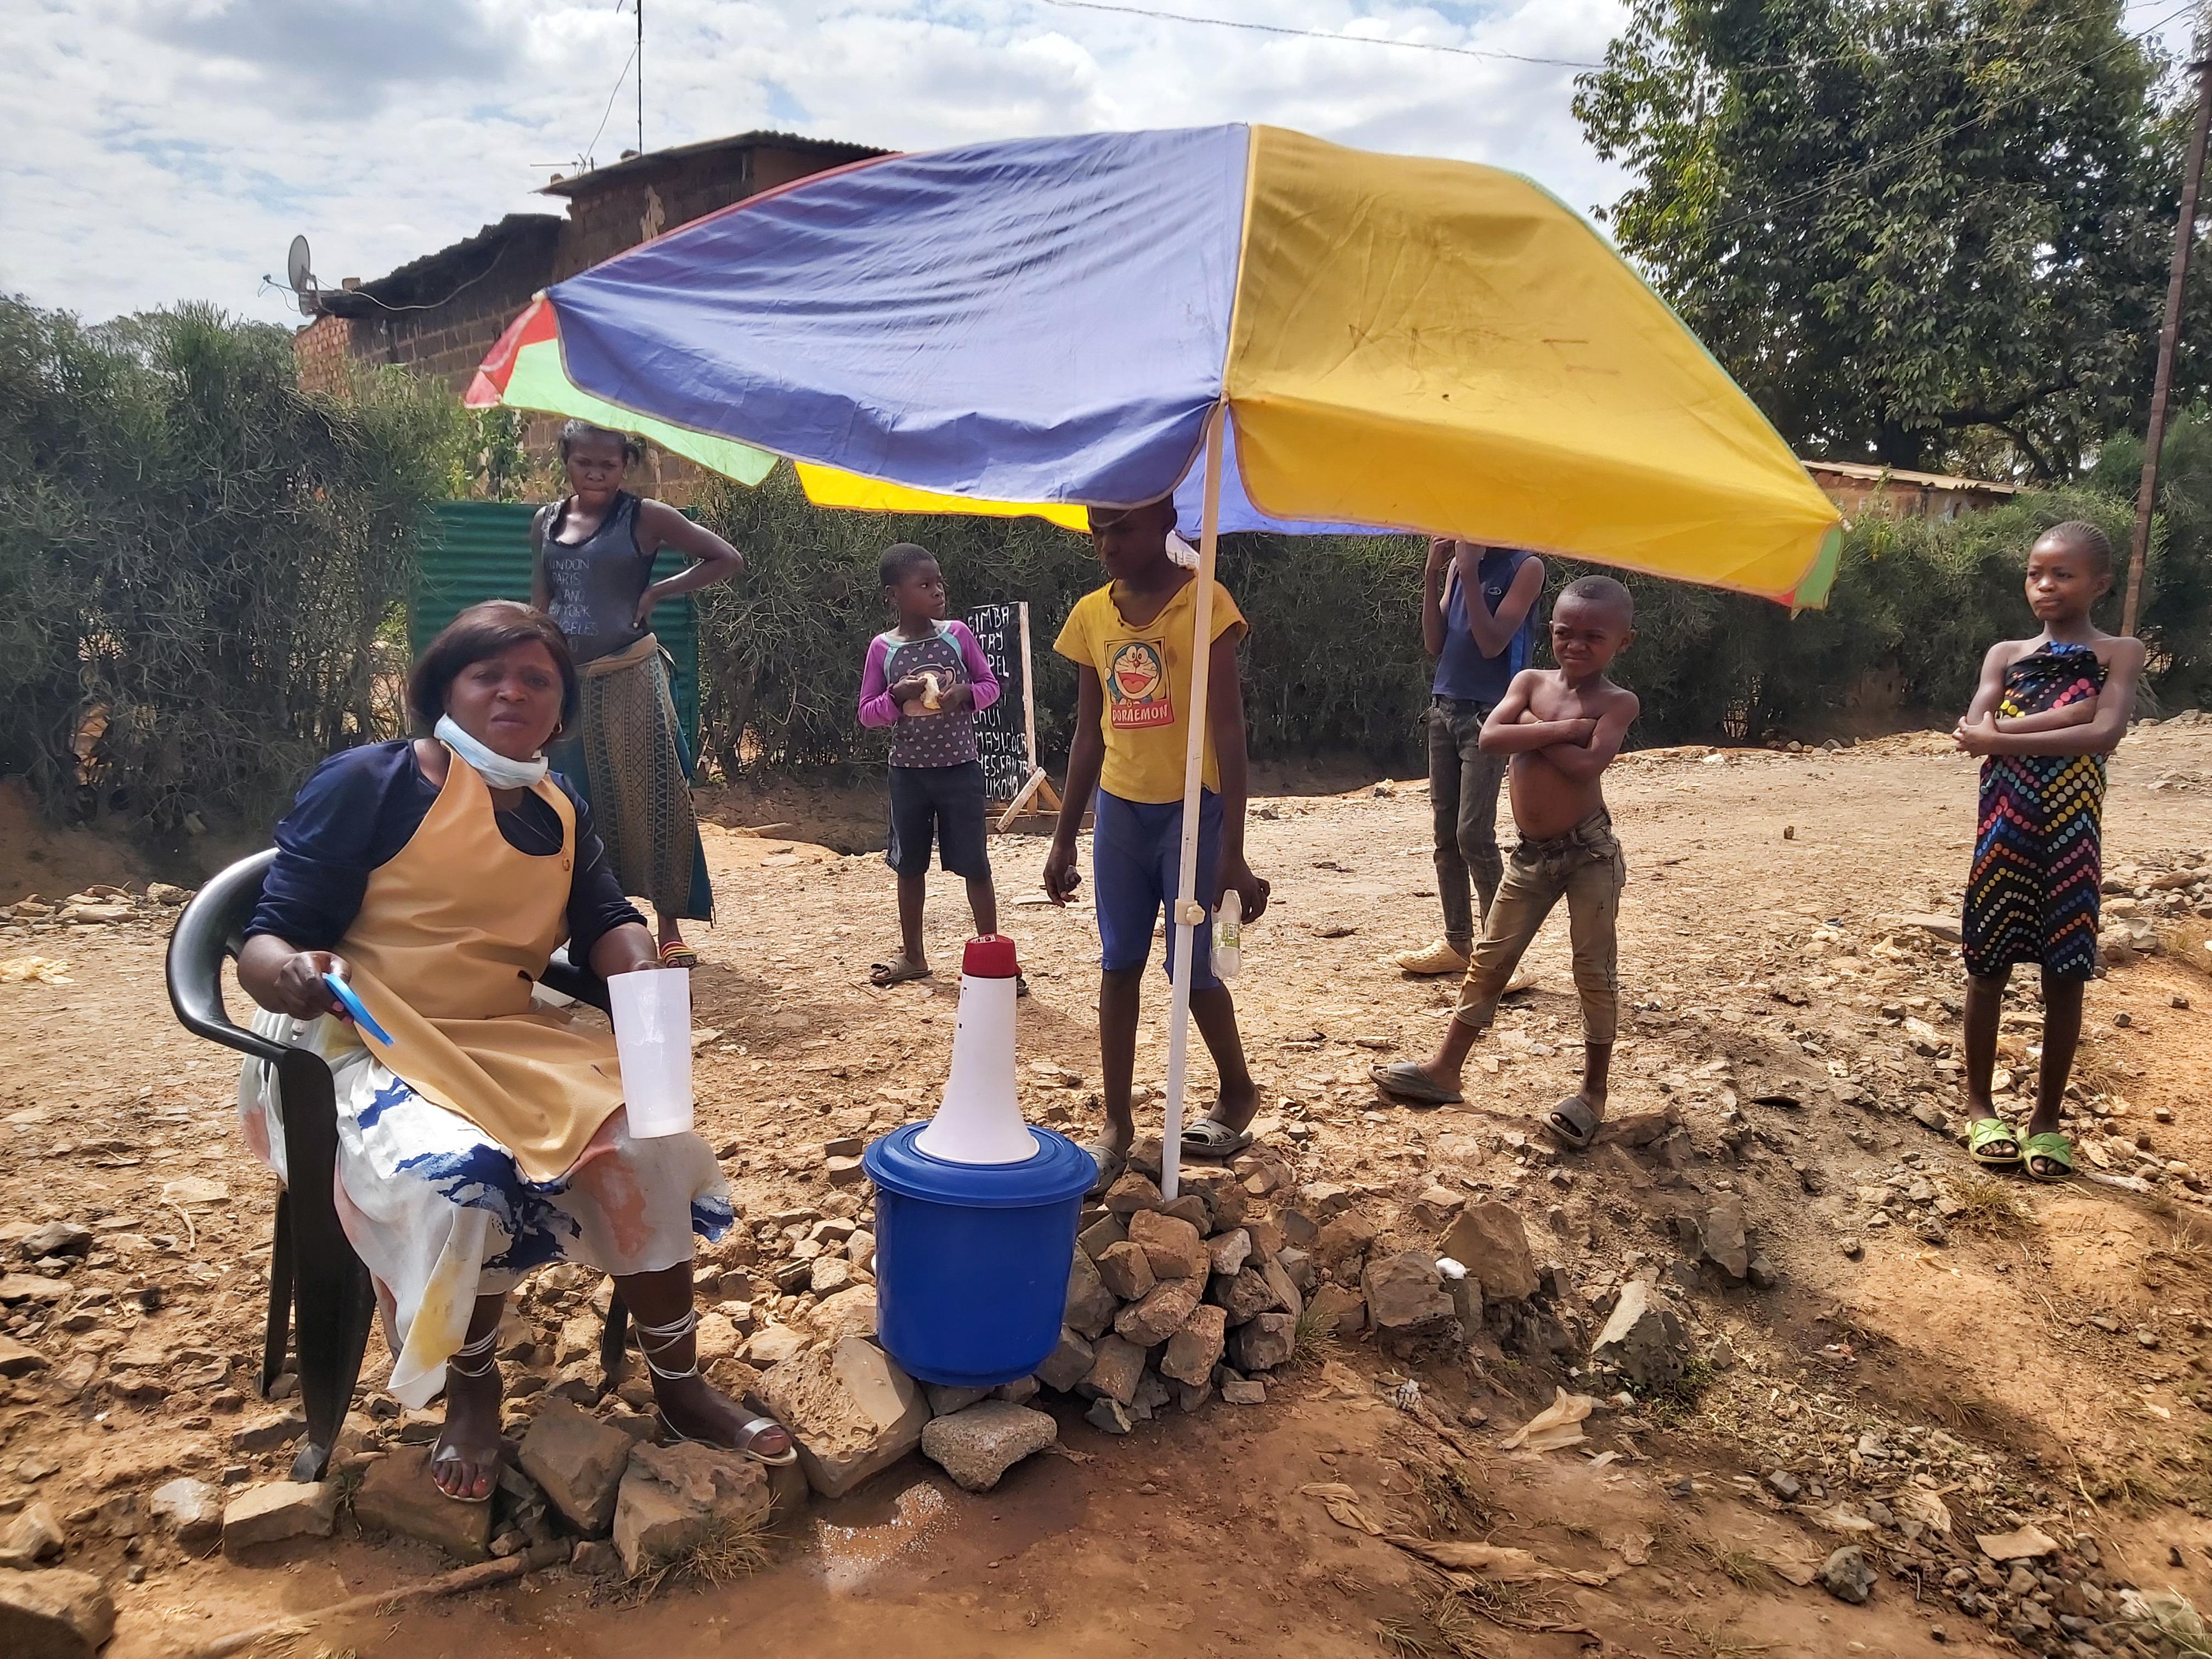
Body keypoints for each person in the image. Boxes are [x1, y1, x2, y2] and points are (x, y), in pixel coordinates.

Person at [236, 602, 793, 1504]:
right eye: (487, 673)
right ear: (443, 688)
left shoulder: (561, 807)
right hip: (356, 1037)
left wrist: (634, 958)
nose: (512, 691)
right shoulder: (369, 782)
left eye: (536, 678)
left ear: (561, 709)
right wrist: (291, 971)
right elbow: (264, 938)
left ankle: (681, 1384)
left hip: (497, 1034)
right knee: (465, 1171)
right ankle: (471, 1385)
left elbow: (604, 917)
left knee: (653, 1143)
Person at [1043, 500, 1271, 1192]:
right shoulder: (1091, 615)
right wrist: (1064, 838)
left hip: (1193, 812)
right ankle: (1117, 1121)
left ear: (1168, 521)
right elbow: (1088, 734)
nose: (1109, 543)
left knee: (1194, 965)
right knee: (1120, 963)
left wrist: (1235, 850)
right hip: (1121, 808)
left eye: (1125, 529)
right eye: (1098, 530)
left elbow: (1228, 731)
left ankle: (1237, 1091)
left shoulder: (1207, 605)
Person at [1370, 576, 1640, 1147]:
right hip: (1531, 856)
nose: (1577, 645)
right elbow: (1492, 738)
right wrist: (1563, 728)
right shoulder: (1530, 680)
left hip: (1588, 852)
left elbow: (1587, 767)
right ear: (1551, 632)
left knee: (1593, 970)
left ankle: (1593, 1091)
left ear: (1624, 642)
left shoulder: (1618, 702)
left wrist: (1528, 732)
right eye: (1566, 633)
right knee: (1490, 960)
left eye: (1595, 637)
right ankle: (1445, 1069)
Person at [1953, 521, 2145, 1182]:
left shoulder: (2121, 651)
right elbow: (1975, 728)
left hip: (2071, 836)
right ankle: (1980, 1106)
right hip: (2003, 827)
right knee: (1988, 968)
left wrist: (2005, 736)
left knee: (2064, 976)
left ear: (2101, 584)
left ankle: (2046, 1122)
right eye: (2036, 573)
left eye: (2063, 574)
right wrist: (2066, 718)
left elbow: (2106, 736)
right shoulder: (2004, 652)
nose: (2045, 585)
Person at [531, 420, 746, 968]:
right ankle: (588, 923)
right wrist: (534, 665)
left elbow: (726, 558)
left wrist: (659, 590)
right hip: (569, 681)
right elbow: (542, 599)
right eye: (585, 462)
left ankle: (669, 927)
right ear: (567, 462)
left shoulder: (646, 516)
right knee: (571, 800)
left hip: (630, 673)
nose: (597, 472)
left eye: (609, 463)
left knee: (653, 795)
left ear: (626, 466)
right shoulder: (546, 522)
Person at [856, 541, 1005, 987]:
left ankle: (993, 953)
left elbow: (991, 685)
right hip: (909, 775)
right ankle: (914, 955)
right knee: (909, 866)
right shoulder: (883, 650)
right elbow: (867, 712)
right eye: (924, 585)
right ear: (894, 596)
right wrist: (896, 699)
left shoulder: (956, 635)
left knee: (975, 864)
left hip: (960, 769)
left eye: (938, 582)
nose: (937, 591)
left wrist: (965, 695)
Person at [1394, 538, 1545, 978]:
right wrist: (1433, 574)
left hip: (1489, 714)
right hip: (1445, 707)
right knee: (1445, 833)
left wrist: (1472, 573)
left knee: (1474, 833)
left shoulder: (1526, 566)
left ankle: (1501, 952)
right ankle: (1457, 941)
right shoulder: (1463, 566)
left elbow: (1492, 643)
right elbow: (1435, 643)